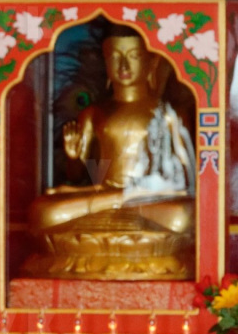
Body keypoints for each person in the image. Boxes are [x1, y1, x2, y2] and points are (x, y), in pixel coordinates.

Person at [25, 24, 196, 279]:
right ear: (105, 63)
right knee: (43, 211)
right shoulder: (94, 114)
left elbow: (185, 183)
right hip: (105, 198)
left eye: (133, 56)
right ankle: (119, 205)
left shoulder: (169, 114)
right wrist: (75, 159)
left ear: (151, 62)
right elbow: (88, 176)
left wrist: (134, 195)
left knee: (183, 217)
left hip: (150, 200)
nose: (124, 66)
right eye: (115, 57)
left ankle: (120, 206)